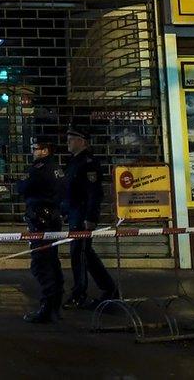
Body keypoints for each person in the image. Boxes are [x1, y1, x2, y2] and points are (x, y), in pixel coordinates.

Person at [61, 126, 118, 310]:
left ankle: (79, 294)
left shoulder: (89, 163)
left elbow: (94, 193)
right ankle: (109, 289)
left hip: (83, 215)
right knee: (85, 254)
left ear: (82, 141)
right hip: (74, 213)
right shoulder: (73, 162)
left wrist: (91, 217)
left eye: (71, 139)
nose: (68, 142)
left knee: (80, 254)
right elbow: (69, 190)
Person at [16, 135, 64, 323]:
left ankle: (48, 307)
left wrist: (20, 184)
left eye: (36, 148)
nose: (33, 152)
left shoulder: (40, 169)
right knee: (52, 261)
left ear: (45, 151)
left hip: (41, 219)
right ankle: (55, 305)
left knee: (41, 263)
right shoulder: (57, 168)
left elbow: (23, 187)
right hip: (53, 216)